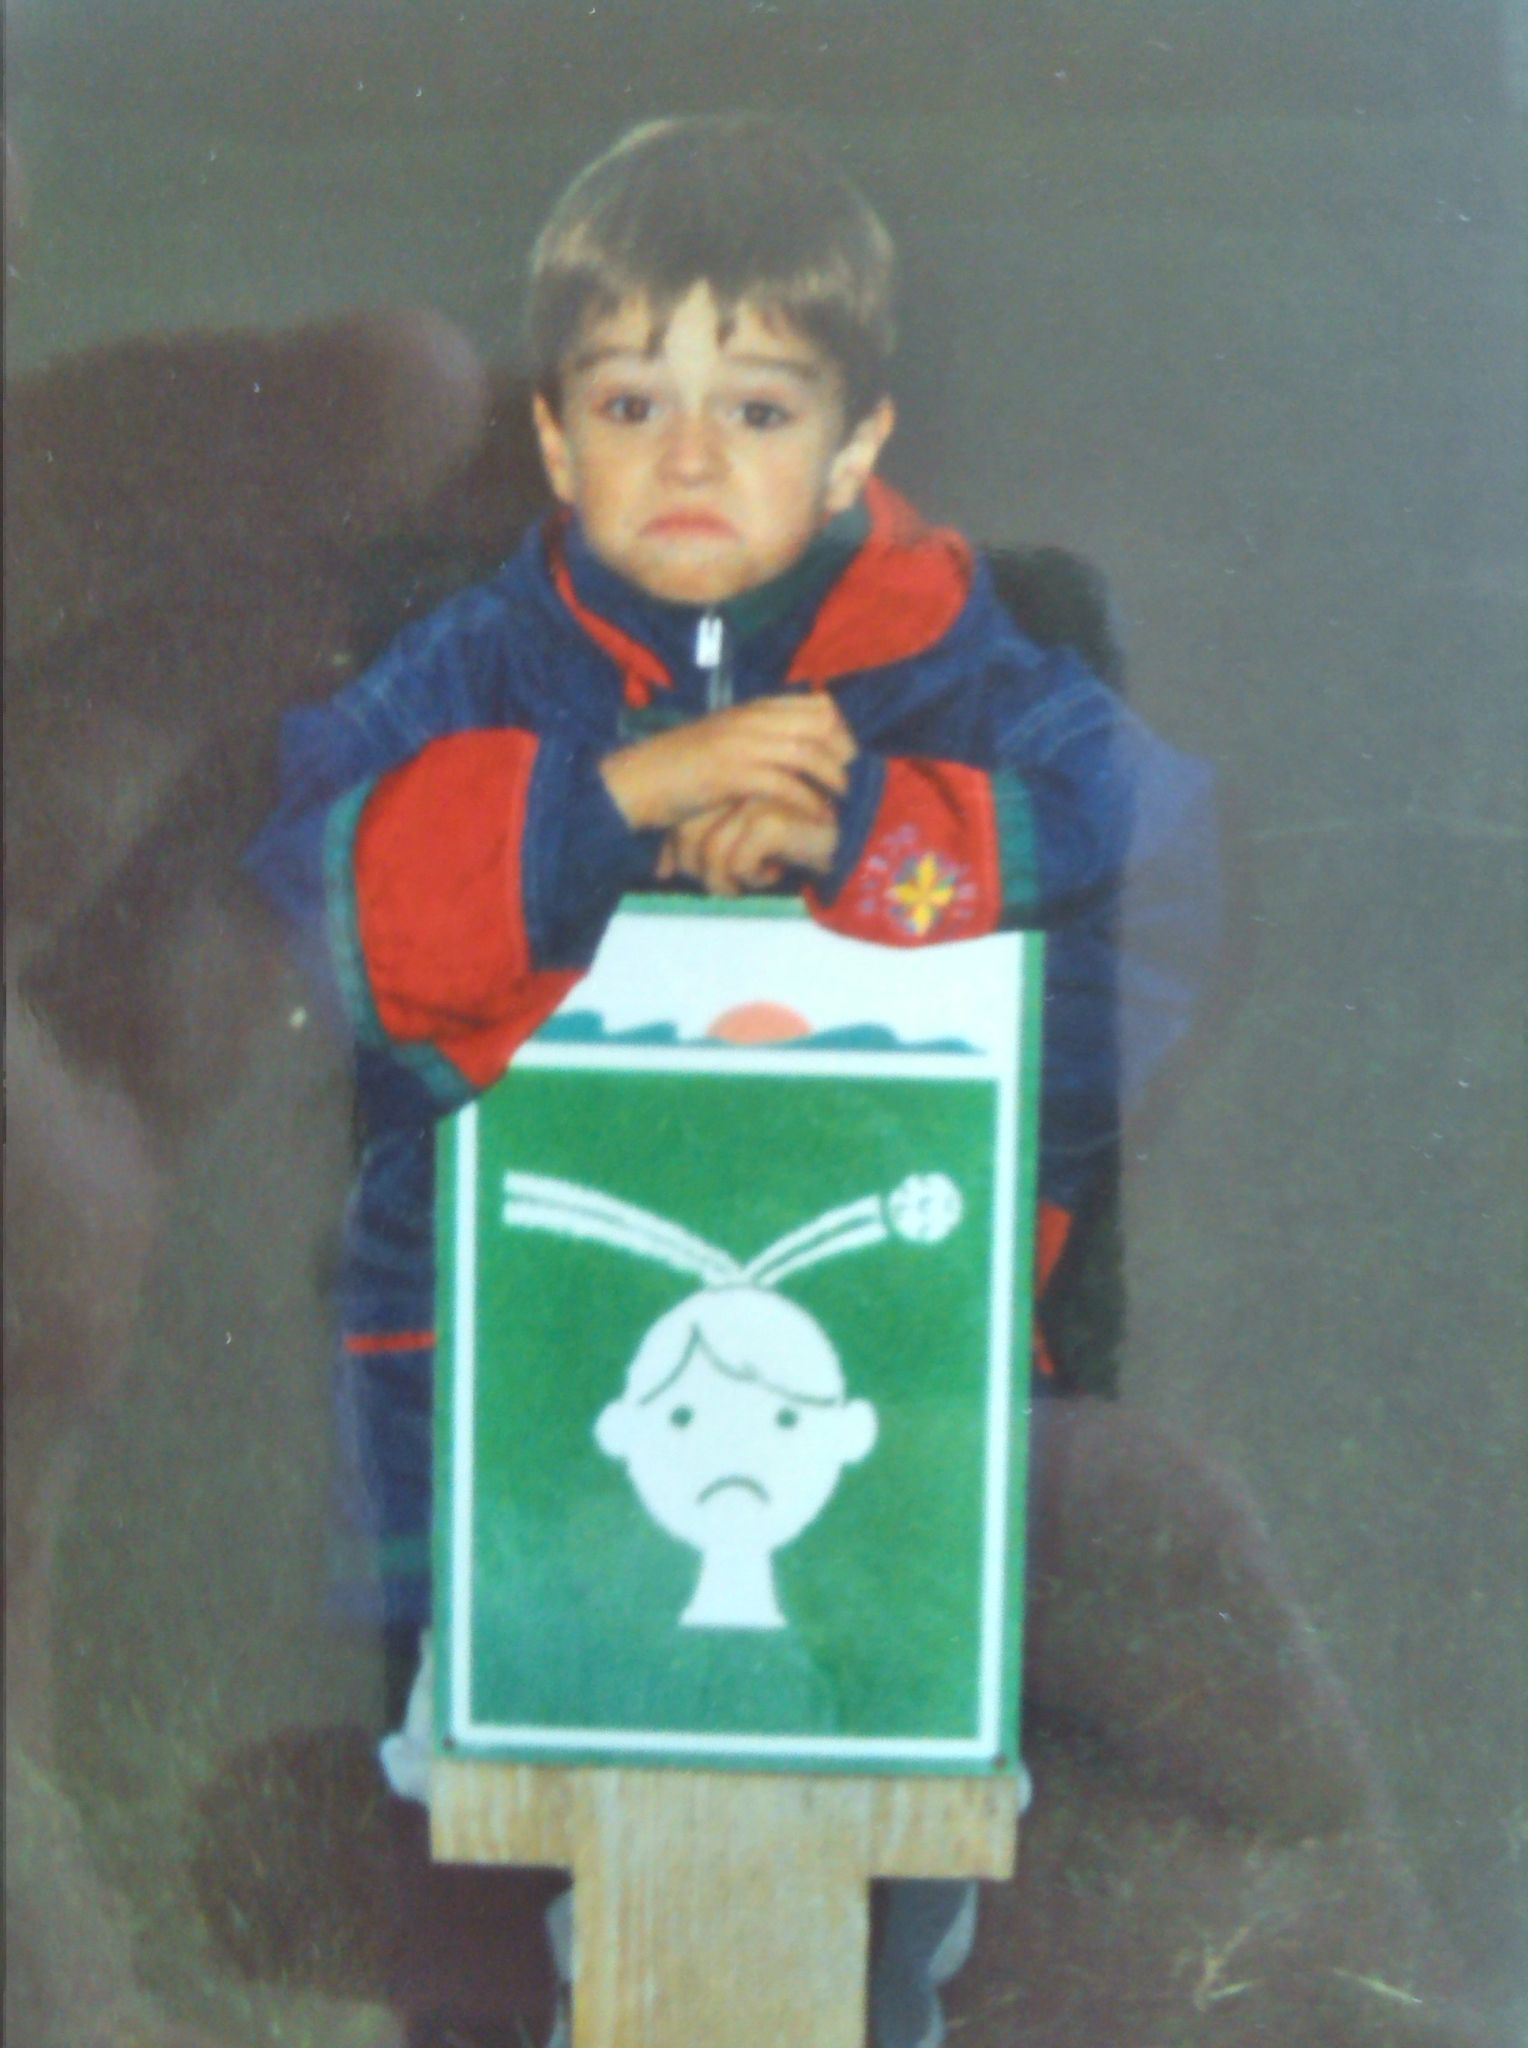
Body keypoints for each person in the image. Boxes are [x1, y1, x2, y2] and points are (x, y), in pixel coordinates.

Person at [246, 112, 1218, 2048]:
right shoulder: (475, 664)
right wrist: (614, 800)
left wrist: (864, 833)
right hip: (508, 1395)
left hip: (872, 1370)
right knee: (501, 1844)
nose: (688, 457)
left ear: (856, 448)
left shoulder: (958, 660)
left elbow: (1140, 846)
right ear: (552, 438)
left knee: (863, 1837)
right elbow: (314, 873)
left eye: (758, 408)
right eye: (632, 401)